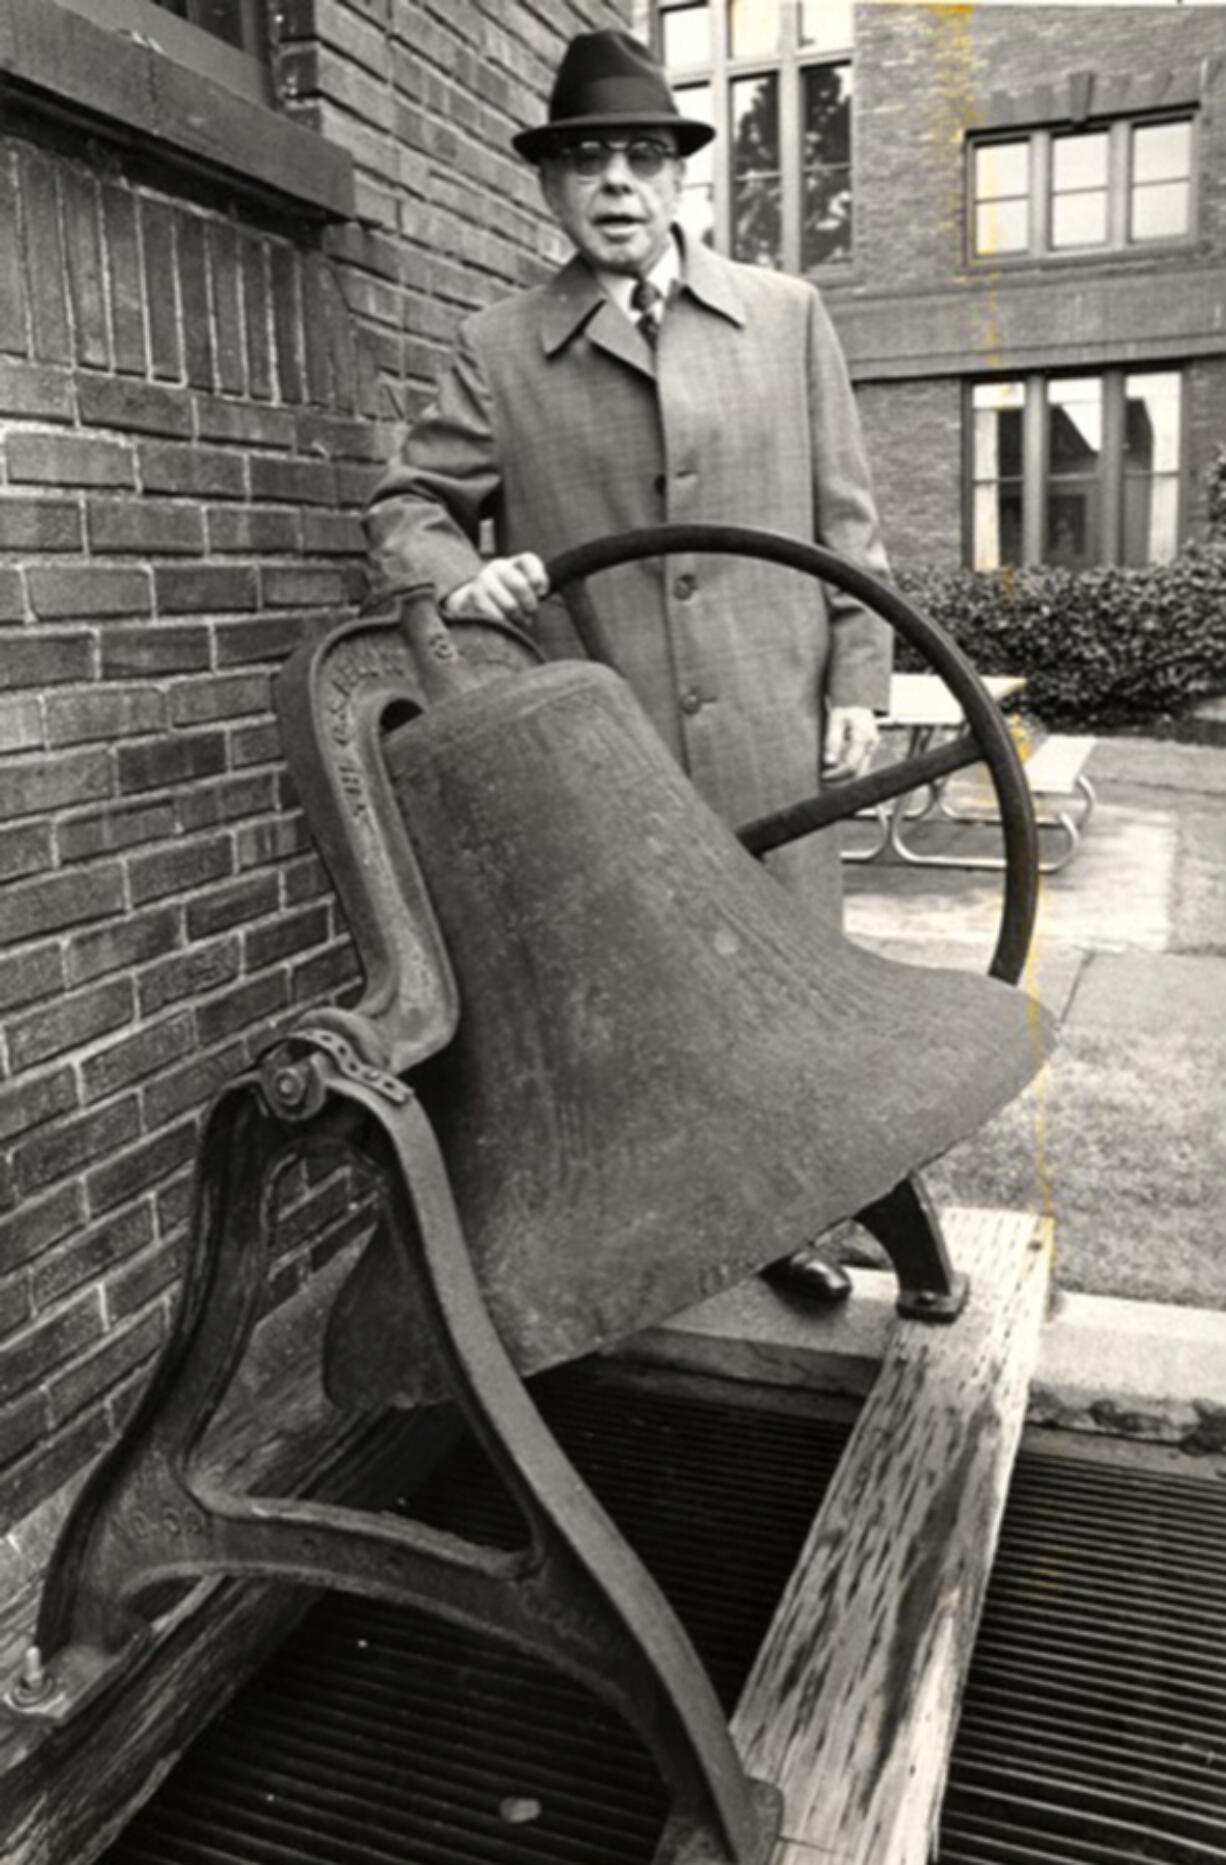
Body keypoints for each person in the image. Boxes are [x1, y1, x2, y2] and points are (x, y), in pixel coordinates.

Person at [364, 29, 893, 1304]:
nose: (616, 182)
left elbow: (848, 525)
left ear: (678, 179)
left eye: (642, 156)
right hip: (609, 745)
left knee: (792, 982)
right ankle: (664, 1230)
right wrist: (457, 573)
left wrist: (856, 684)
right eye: (587, 158)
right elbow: (406, 505)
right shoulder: (498, 349)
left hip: (773, 715)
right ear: (549, 187)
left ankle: (803, 1220)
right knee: (640, 994)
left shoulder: (786, 316)